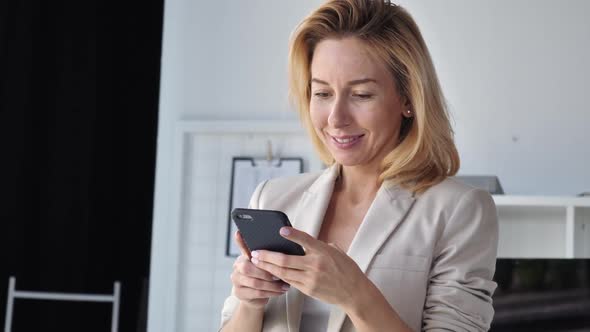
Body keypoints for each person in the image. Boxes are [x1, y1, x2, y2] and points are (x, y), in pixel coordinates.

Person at [220, 0, 498, 331]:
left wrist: (356, 295)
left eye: (362, 95)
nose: (336, 119)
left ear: (408, 99)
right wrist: (250, 304)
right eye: (322, 94)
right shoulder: (273, 198)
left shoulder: (458, 210)